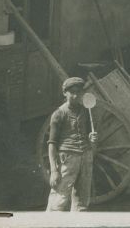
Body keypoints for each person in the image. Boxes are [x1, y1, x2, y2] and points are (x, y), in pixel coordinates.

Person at [45, 76, 98, 212]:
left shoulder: (85, 110)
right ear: (65, 93)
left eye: (78, 92)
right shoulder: (59, 114)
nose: (75, 95)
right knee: (59, 201)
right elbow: (52, 144)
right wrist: (54, 171)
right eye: (72, 92)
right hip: (68, 159)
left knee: (82, 203)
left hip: (85, 157)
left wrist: (91, 139)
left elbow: (87, 135)